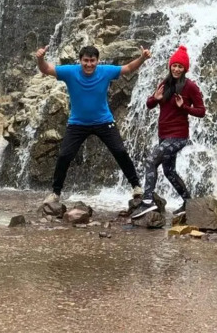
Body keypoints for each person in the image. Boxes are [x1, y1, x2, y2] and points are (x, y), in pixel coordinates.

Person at [35, 43, 151, 211]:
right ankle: (56, 192)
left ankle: (136, 187)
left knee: (120, 151)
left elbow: (127, 69)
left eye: (92, 61)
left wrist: (142, 58)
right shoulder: (70, 72)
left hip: (103, 121)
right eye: (86, 61)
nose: (89, 64)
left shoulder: (105, 71)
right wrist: (40, 59)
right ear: (80, 60)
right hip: (77, 123)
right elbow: (46, 69)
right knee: (64, 156)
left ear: (98, 61)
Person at [131, 45, 205, 219]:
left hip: (178, 136)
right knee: (169, 171)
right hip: (163, 135)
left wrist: (184, 107)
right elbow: (149, 105)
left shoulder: (190, 87)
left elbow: (201, 111)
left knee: (151, 160)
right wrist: (154, 98)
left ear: (185, 69)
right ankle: (188, 202)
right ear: (170, 66)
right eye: (175, 65)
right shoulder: (165, 84)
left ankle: (147, 202)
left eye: (180, 66)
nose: (177, 69)